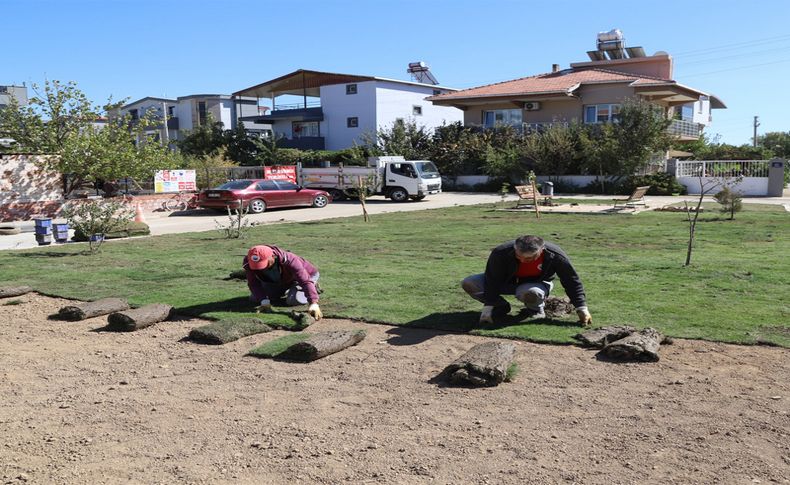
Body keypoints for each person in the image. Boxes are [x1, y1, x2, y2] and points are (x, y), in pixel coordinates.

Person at [461, 235, 591, 326]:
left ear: (541, 251)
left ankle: (535, 310)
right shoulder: (500, 253)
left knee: (530, 292)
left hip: (537, 284)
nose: (523, 260)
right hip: (506, 282)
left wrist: (581, 308)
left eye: (529, 259)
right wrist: (487, 308)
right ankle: (499, 307)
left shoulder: (555, 255)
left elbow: (571, 280)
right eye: (519, 256)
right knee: (470, 283)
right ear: (515, 248)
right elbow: (492, 279)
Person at [243, 245, 323, 320]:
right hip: (281, 280)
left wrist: (313, 303)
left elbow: (305, 280)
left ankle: (313, 287)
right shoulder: (249, 262)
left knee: (293, 300)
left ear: (273, 257)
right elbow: (253, 283)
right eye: (256, 265)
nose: (259, 268)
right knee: (255, 298)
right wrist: (264, 301)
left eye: (263, 264)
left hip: (306, 276)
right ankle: (288, 289)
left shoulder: (290, 259)